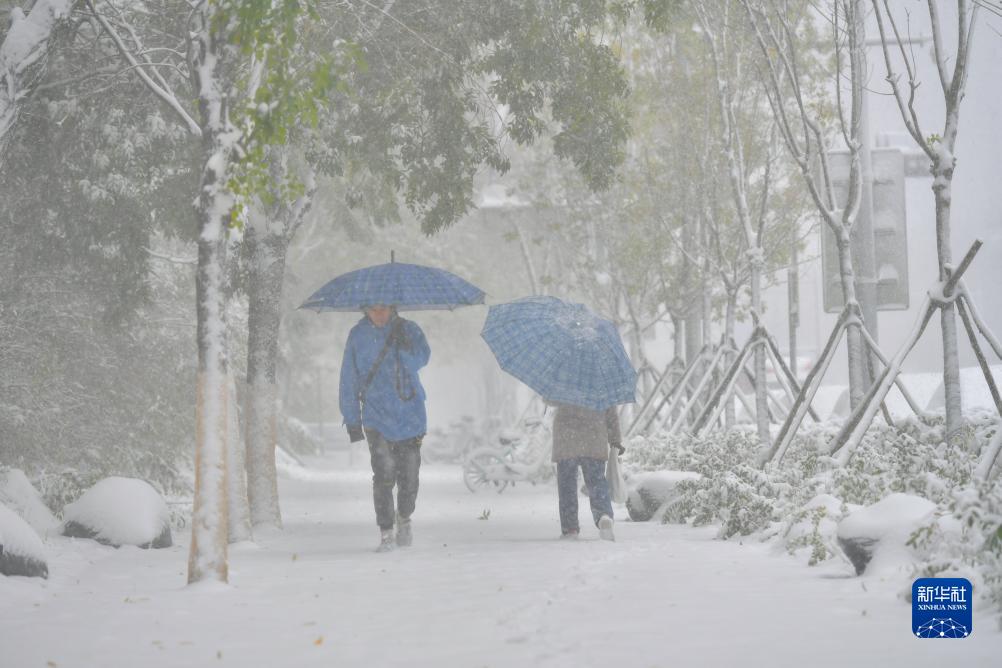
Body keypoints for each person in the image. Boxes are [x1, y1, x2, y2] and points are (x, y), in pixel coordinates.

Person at [339, 304, 431, 552]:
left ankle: (405, 517)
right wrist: (352, 420)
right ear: (365, 310)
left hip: (410, 415)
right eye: (373, 309)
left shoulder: (409, 330)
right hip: (376, 417)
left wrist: (404, 349)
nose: (379, 314)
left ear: (393, 308)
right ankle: (386, 531)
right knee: (384, 475)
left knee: (409, 477)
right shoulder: (357, 336)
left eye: (384, 309)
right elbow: (349, 377)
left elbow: (423, 358)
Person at [551, 403, 624, 541]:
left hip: (566, 438)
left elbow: (550, 399)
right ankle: (603, 515)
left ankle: (570, 528)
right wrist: (615, 439)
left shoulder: (564, 382)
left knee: (567, 486)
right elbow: (611, 413)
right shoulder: (601, 383)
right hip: (594, 436)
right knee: (597, 482)